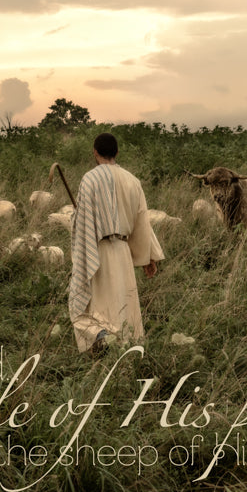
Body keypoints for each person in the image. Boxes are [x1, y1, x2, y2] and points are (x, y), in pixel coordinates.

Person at [68, 132, 164, 354]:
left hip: (98, 251)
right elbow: (142, 221)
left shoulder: (90, 179)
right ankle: (124, 349)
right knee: (122, 302)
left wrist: (76, 216)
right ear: (117, 152)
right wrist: (149, 256)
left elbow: (81, 224)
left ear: (95, 152)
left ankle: (100, 337)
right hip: (122, 251)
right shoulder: (133, 181)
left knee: (90, 304)